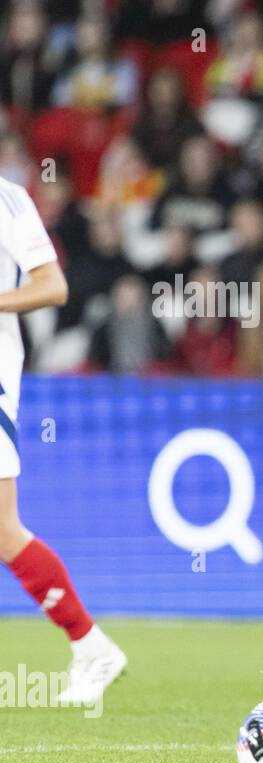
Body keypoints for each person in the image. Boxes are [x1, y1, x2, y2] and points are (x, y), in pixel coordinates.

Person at [0, 174, 126, 704]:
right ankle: (91, 644)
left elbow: (53, 286)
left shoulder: (7, 198)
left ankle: (90, 643)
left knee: (4, 530)